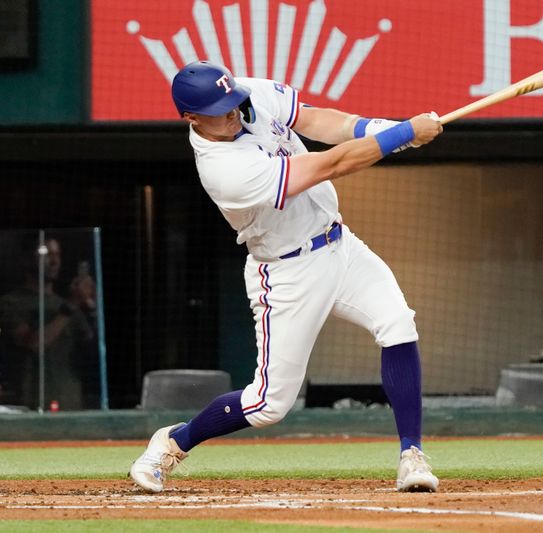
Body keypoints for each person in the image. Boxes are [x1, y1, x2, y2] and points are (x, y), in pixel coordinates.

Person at [129, 61, 443, 493]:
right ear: (191, 118)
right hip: (287, 271)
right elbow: (328, 165)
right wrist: (402, 135)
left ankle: (412, 454)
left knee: (397, 323)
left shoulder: (246, 95)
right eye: (220, 110)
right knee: (267, 405)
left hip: (340, 244)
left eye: (233, 101)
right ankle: (173, 442)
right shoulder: (224, 170)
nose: (233, 111)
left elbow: (322, 121)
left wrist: (386, 128)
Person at [0, 236, 96, 410]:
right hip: (30, 405)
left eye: (57, 255)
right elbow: (34, 343)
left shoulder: (67, 304)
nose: (53, 261)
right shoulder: (10, 303)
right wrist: (71, 306)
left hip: (70, 404)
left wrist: (92, 308)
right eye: (45, 253)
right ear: (26, 259)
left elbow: (91, 351)